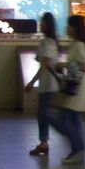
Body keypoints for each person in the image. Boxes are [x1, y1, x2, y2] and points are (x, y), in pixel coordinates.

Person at [45, 14, 85, 163]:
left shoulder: (79, 45)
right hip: (75, 87)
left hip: (76, 89)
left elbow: (83, 67)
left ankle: (77, 147)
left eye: (69, 25)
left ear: (74, 28)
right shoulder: (76, 44)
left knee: (65, 119)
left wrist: (63, 65)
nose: (66, 28)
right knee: (72, 119)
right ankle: (77, 148)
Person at [25, 12, 60, 156]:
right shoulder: (50, 41)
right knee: (43, 113)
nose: (40, 24)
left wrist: (32, 82)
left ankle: (44, 141)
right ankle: (43, 142)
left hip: (48, 85)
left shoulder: (48, 42)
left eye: (42, 22)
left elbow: (45, 65)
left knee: (43, 113)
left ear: (47, 24)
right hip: (47, 84)